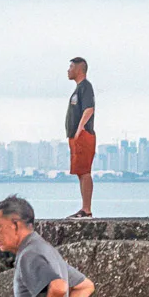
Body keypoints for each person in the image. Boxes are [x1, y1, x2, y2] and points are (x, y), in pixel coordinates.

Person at [65, 58, 97, 218]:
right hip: (75, 137)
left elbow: (89, 108)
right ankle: (84, 208)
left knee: (84, 171)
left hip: (83, 135)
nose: (68, 70)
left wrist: (80, 129)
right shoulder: (78, 89)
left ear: (79, 69)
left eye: (71, 67)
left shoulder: (85, 87)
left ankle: (86, 209)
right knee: (80, 172)